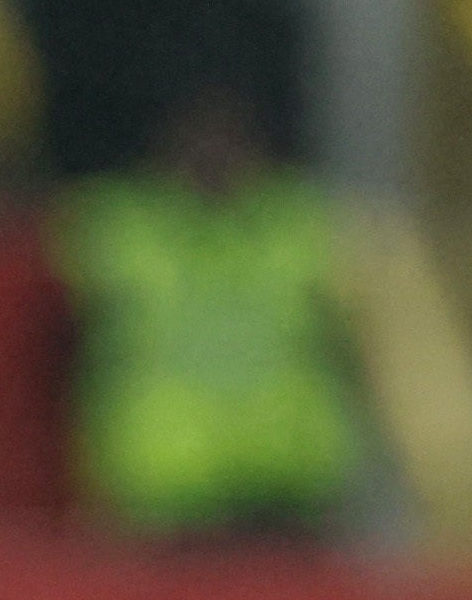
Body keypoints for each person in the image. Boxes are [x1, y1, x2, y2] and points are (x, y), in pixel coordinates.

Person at [54, 84, 360, 539]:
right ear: (165, 149)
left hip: (289, 484)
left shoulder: (305, 225)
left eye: (229, 139)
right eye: (198, 139)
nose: (214, 154)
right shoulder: (114, 229)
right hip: (162, 488)